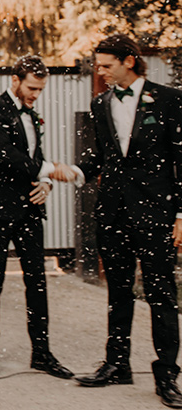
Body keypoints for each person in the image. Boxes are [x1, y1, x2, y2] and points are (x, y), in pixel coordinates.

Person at [53, 34, 182, 408]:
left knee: (161, 295)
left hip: (156, 214)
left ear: (129, 61)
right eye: (99, 64)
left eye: (107, 64)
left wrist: (179, 215)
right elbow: (99, 160)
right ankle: (117, 364)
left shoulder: (170, 100)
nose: (101, 71)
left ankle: (167, 376)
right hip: (112, 213)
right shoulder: (100, 104)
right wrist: (73, 171)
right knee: (118, 292)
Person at [0, 55, 73, 379]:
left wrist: (45, 184)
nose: (35, 95)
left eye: (40, 89)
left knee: (37, 283)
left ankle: (41, 354)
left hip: (30, 210)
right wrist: (50, 171)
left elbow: (34, 157)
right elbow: (2, 155)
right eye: (31, 87)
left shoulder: (33, 116)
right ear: (15, 80)